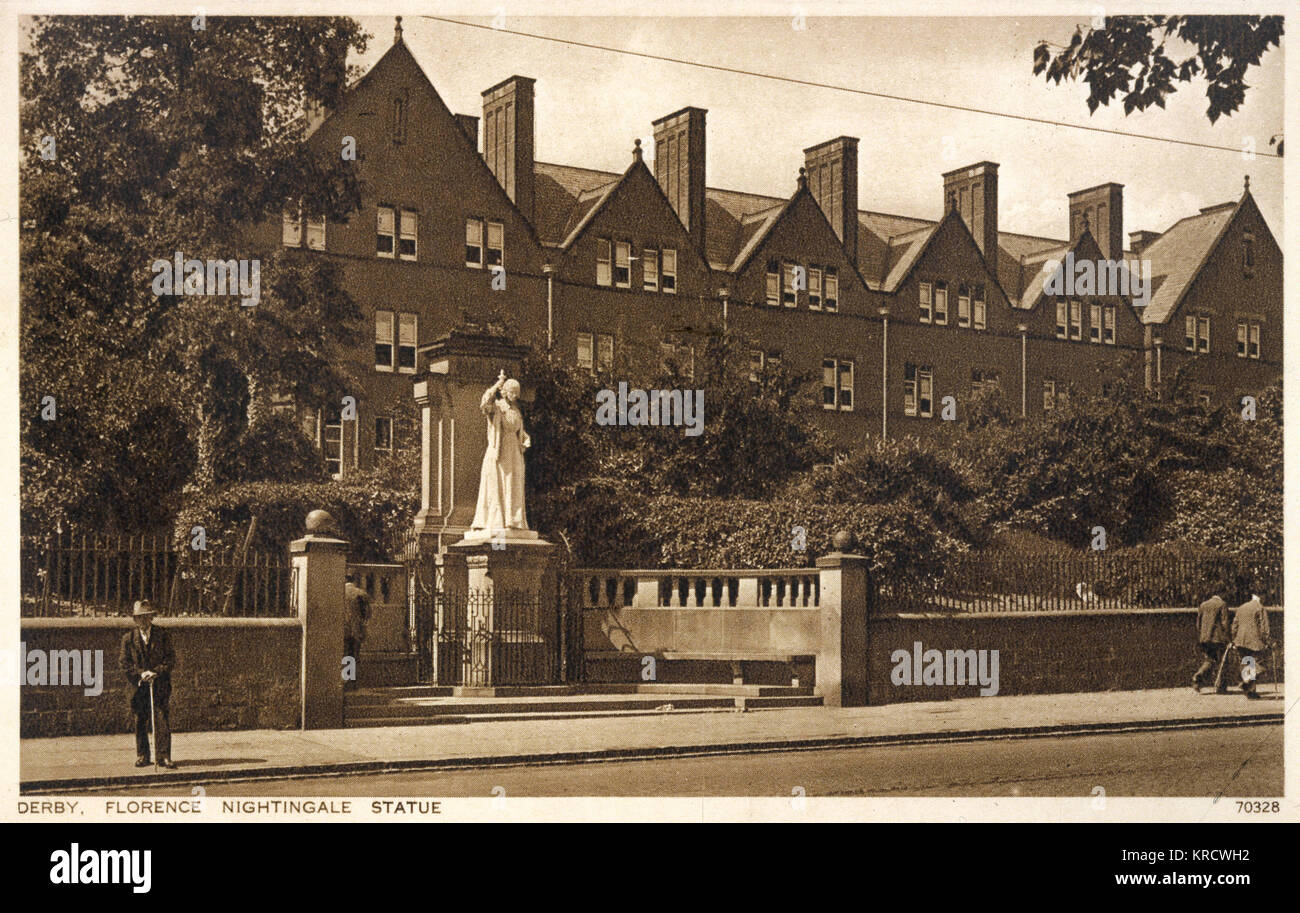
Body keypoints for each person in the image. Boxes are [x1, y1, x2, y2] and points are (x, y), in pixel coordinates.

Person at [470, 369, 531, 534]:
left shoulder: (516, 411)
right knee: (500, 484)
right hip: (500, 451)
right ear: (506, 392)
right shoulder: (497, 407)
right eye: (513, 392)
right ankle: (499, 521)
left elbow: (518, 430)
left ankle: (514, 520)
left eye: (517, 393)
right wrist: (498, 384)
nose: (516, 395)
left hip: (514, 452)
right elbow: (484, 403)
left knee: (514, 483)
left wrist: (525, 438)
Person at [120, 600, 175, 768]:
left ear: (151, 617)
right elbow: (124, 662)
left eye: (145, 617)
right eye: (139, 618)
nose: (142, 621)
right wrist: (141, 673)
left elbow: (170, 659)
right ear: (135, 620)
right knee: (140, 721)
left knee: (161, 719)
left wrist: (156, 672)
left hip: (159, 685)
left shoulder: (163, 635)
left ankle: (163, 756)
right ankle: (143, 755)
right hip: (138, 687)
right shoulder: (128, 639)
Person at [1231, 593, 1271, 699]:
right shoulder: (1260, 608)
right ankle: (1247, 682)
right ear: (1261, 597)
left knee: (1247, 663)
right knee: (1260, 664)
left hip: (1240, 640)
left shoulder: (1241, 607)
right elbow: (1264, 627)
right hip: (1254, 641)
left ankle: (1250, 692)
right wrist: (1267, 641)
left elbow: (1234, 625)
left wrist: (1234, 639)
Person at [1192, 595, 1230, 693]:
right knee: (1223, 661)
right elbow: (1224, 622)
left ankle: (1198, 676)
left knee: (1209, 660)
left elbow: (1198, 623)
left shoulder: (1203, 605)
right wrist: (1228, 637)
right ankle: (1220, 687)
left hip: (1205, 639)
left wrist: (1203, 635)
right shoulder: (1222, 604)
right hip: (1218, 639)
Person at [344, 573, 370, 687]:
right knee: (354, 653)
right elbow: (368, 613)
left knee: (345, 653)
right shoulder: (360, 593)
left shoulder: (338, 592)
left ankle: (346, 678)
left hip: (342, 627)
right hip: (356, 628)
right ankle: (352, 680)